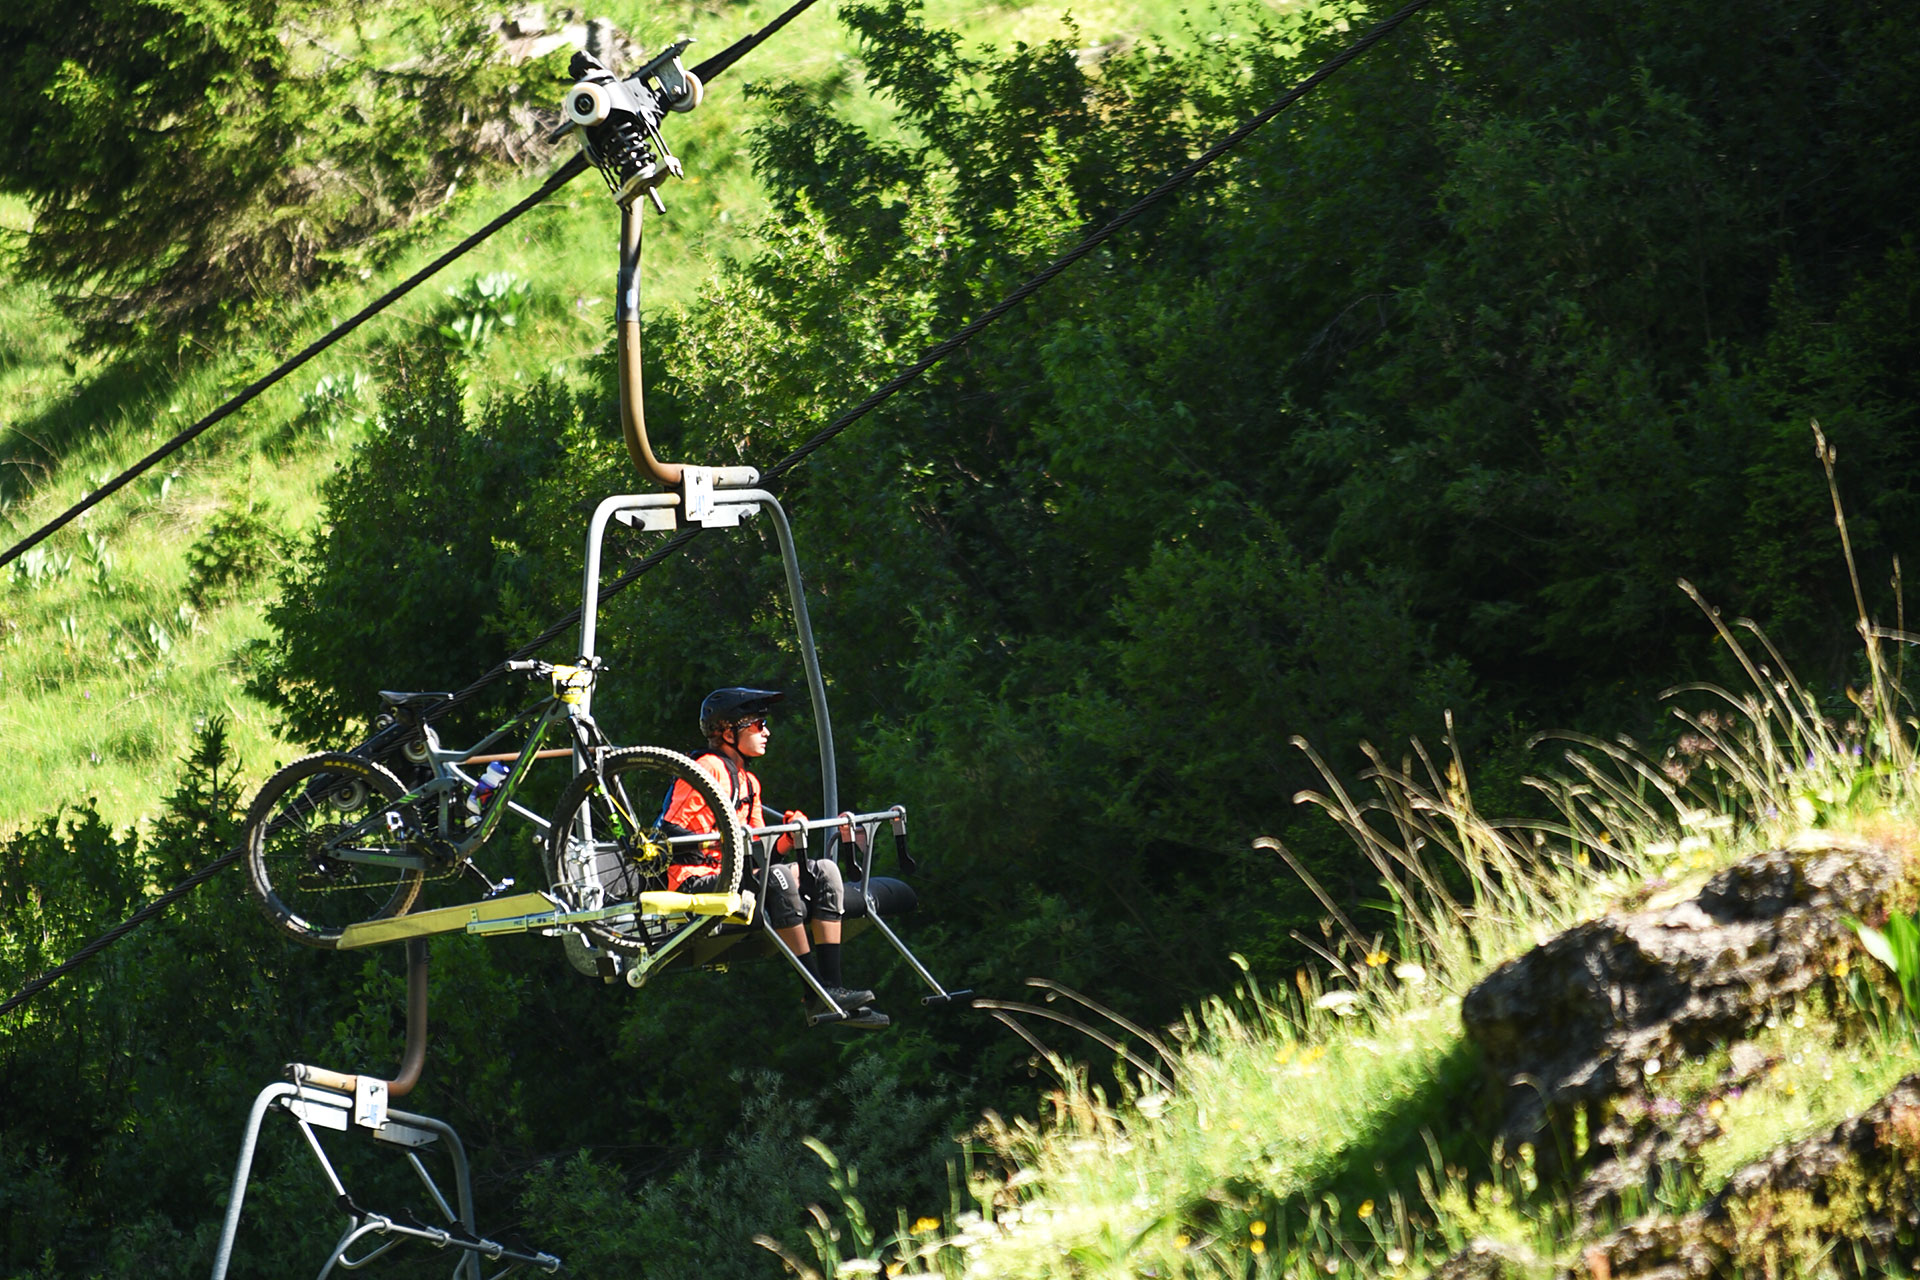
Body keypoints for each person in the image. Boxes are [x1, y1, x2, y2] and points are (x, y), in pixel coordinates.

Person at [661, 687, 889, 1029]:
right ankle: (815, 993)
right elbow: (670, 832)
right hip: (695, 879)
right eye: (758, 724)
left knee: (826, 871)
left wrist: (786, 837)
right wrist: (724, 843)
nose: (766, 732)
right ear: (728, 732)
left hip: (736, 875)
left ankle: (832, 987)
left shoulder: (749, 781)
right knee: (779, 879)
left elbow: (759, 855)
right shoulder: (707, 768)